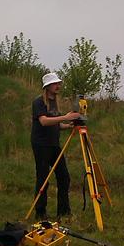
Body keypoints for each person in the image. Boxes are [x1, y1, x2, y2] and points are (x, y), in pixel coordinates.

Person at [31, 72, 80, 221]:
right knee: (43, 178)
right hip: (41, 145)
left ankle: (63, 211)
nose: (58, 86)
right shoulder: (39, 102)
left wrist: (68, 125)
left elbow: (55, 124)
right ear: (47, 86)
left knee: (64, 177)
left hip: (54, 144)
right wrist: (65, 117)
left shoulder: (54, 102)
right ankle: (40, 212)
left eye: (58, 83)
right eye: (55, 84)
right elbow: (44, 121)